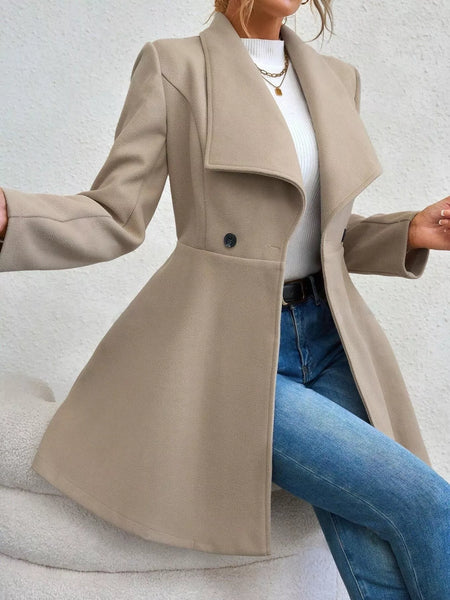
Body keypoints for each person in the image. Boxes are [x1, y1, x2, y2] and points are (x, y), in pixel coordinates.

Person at [1, 1, 449, 598]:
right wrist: (11, 216)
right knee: (425, 502)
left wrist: (408, 231)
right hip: (232, 346)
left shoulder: (337, 79)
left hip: (329, 333)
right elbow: (116, 214)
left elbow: (322, 237)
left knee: (376, 541)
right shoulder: (174, 66)